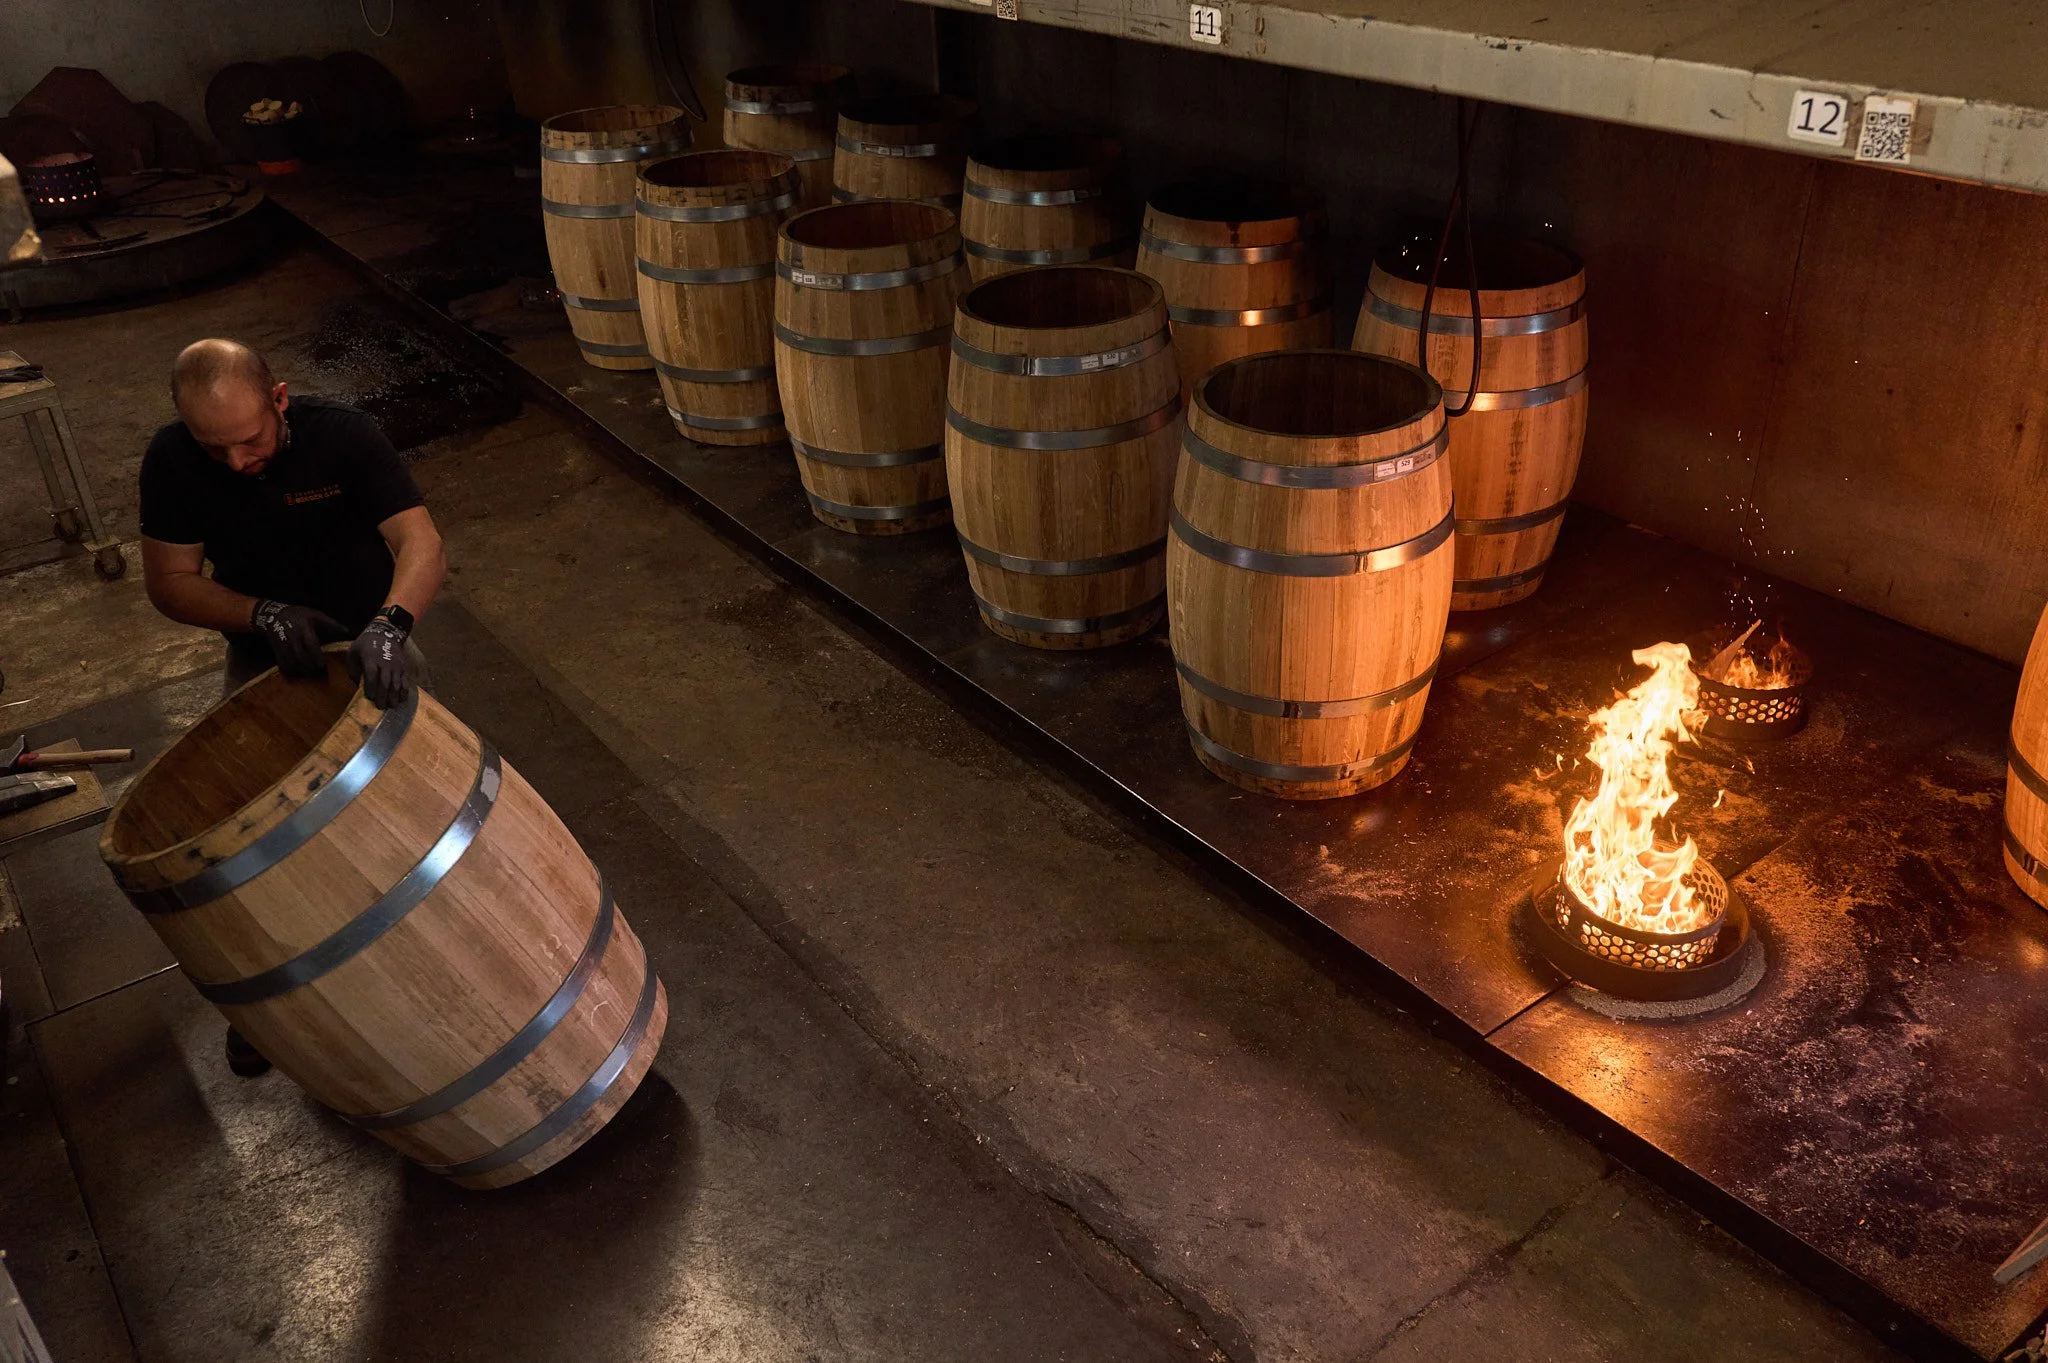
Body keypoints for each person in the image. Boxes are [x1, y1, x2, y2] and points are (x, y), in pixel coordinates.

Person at [139, 338, 447, 1077]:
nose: (236, 462)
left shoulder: (343, 435)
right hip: (267, 654)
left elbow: (420, 541)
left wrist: (390, 624)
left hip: (369, 642)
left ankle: (439, 956)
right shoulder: (173, 460)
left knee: (417, 807)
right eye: (215, 448)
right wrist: (264, 614)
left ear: (279, 399)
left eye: (250, 440)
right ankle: (273, 1003)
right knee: (251, 837)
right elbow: (170, 580)